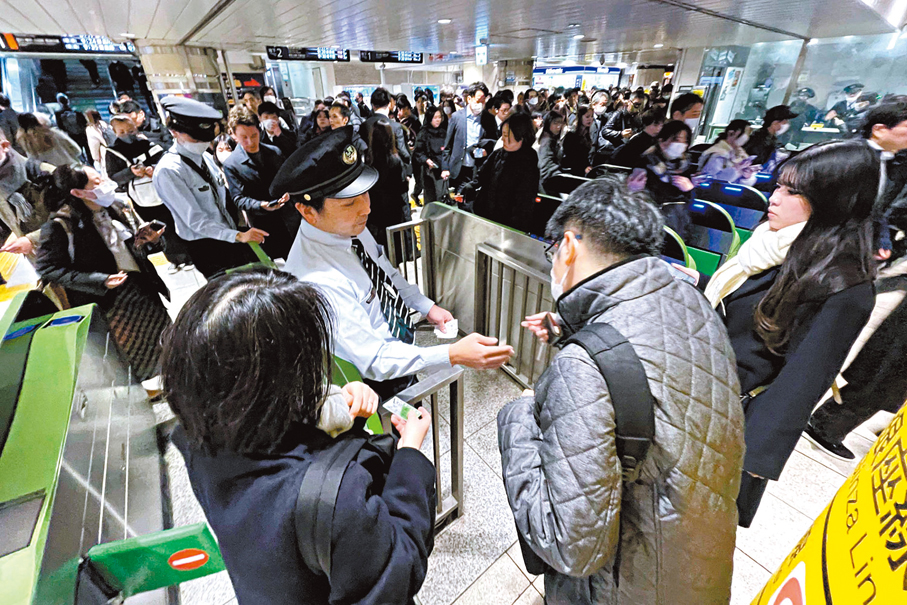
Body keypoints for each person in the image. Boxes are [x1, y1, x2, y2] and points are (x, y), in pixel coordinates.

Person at [498, 177, 743, 604]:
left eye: (551, 249)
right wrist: (570, 329)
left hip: (625, 584)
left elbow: (568, 543)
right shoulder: (692, 299)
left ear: (568, 247)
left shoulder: (583, 367)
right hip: (694, 557)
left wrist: (516, 416)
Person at [163, 267, 437, 605]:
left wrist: (337, 411)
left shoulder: (195, 438)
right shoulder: (334, 499)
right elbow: (401, 566)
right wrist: (409, 452)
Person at [701, 139, 877, 527]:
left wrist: (752, 465)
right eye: (779, 185)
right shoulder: (771, 242)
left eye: (793, 191)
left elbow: (802, 382)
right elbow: (742, 306)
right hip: (701, 391)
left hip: (734, 420)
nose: (775, 197)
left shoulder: (842, 284)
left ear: (834, 201)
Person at [274, 126, 514, 399]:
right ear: (307, 211)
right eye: (350, 203)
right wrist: (453, 353)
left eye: (365, 194)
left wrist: (426, 306)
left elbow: (384, 272)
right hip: (374, 382)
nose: (366, 208)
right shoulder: (317, 281)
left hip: (400, 347)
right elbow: (374, 359)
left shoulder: (347, 228)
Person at [36, 164, 171, 382]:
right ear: (78, 193)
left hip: (141, 288)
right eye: (97, 182)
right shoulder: (60, 226)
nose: (105, 184)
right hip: (110, 303)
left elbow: (127, 246)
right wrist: (101, 280)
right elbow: (48, 269)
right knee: (132, 357)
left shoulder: (114, 207)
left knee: (166, 341)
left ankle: (178, 379)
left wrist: (148, 241)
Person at [153, 97, 263, 277]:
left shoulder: (205, 158)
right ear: (174, 132)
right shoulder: (169, 171)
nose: (201, 143)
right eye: (195, 139)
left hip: (229, 236)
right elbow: (195, 220)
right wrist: (237, 236)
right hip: (206, 246)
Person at [223, 106, 297, 261]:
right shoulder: (232, 164)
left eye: (254, 135)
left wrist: (288, 193)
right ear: (234, 135)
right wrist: (260, 205)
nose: (250, 142)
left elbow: (287, 180)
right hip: (264, 223)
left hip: (289, 217)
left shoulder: (274, 152)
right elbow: (238, 198)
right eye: (244, 137)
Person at [466, 112, 539, 234]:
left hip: (508, 226)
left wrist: (514, 229)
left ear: (519, 135)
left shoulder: (528, 161)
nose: (502, 139)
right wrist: (472, 186)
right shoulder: (498, 154)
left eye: (506, 135)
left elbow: (524, 202)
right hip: (487, 218)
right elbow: (481, 175)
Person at [0, 130, 54, 257]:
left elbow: (75, 215)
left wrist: (32, 239)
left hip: (77, 257)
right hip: (42, 261)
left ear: (4, 146)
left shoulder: (42, 173)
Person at [639, 120, 695, 237]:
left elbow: (690, 201)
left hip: (678, 223)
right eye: (676, 140)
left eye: (685, 141)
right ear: (661, 141)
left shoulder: (684, 164)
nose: (681, 144)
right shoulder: (647, 162)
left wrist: (690, 189)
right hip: (651, 223)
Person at [364, 117, 409, 247]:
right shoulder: (395, 160)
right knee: (394, 246)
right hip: (392, 209)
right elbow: (402, 187)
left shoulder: (368, 160)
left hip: (374, 209)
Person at [441, 82, 490, 194]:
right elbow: (448, 145)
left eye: (483, 101)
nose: (481, 104)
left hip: (478, 168)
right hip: (460, 168)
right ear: (469, 99)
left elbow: (492, 143)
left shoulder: (488, 119)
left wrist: (485, 151)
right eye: (478, 100)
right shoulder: (456, 117)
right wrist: (445, 168)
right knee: (461, 200)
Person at [362, 88, 411, 174]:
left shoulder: (364, 126)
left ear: (373, 105)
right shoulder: (396, 127)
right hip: (393, 173)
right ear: (389, 104)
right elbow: (404, 153)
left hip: (371, 174)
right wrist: (407, 172)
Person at [699, 119, 759, 185]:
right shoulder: (718, 153)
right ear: (731, 133)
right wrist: (736, 169)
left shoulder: (742, 154)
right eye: (745, 133)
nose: (746, 137)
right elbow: (711, 179)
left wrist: (747, 177)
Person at [16, 112, 82, 167]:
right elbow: (77, 151)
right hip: (71, 167)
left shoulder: (25, 141)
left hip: (50, 174)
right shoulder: (54, 133)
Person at [744, 105, 798, 172]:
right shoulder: (759, 141)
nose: (788, 125)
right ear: (775, 123)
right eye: (785, 122)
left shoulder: (772, 139)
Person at [412, 106, 448, 205]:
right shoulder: (423, 133)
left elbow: (448, 149)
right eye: (435, 117)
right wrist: (426, 160)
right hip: (429, 170)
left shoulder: (443, 132)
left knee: (442, 196)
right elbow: (418, 152)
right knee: (431, 197)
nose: (437, 120)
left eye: (439, 117)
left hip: (442, 168)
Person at [559, 105, 594, 177]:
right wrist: (584, 167)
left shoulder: (587, 134)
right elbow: (571, 156)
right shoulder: (571, 135)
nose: (590, 119)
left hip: (583, 169)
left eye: (591, 116)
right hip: (572, 170)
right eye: (587, 117)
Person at [54, 93, 89, 160]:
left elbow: (60, 126)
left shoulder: (58, 114)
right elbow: (84, 123)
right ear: (68, 101)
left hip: (70, 136)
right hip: (81, 136)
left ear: (59, 102)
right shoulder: (77, 112)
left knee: (75, 155)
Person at [538, 111, 566, 193]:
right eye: (555, 123)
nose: (558, 126)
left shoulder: (553, 139)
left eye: (560, 123)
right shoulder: (547, 141)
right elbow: (546, 164)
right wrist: (560, 176)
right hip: (547, 184)